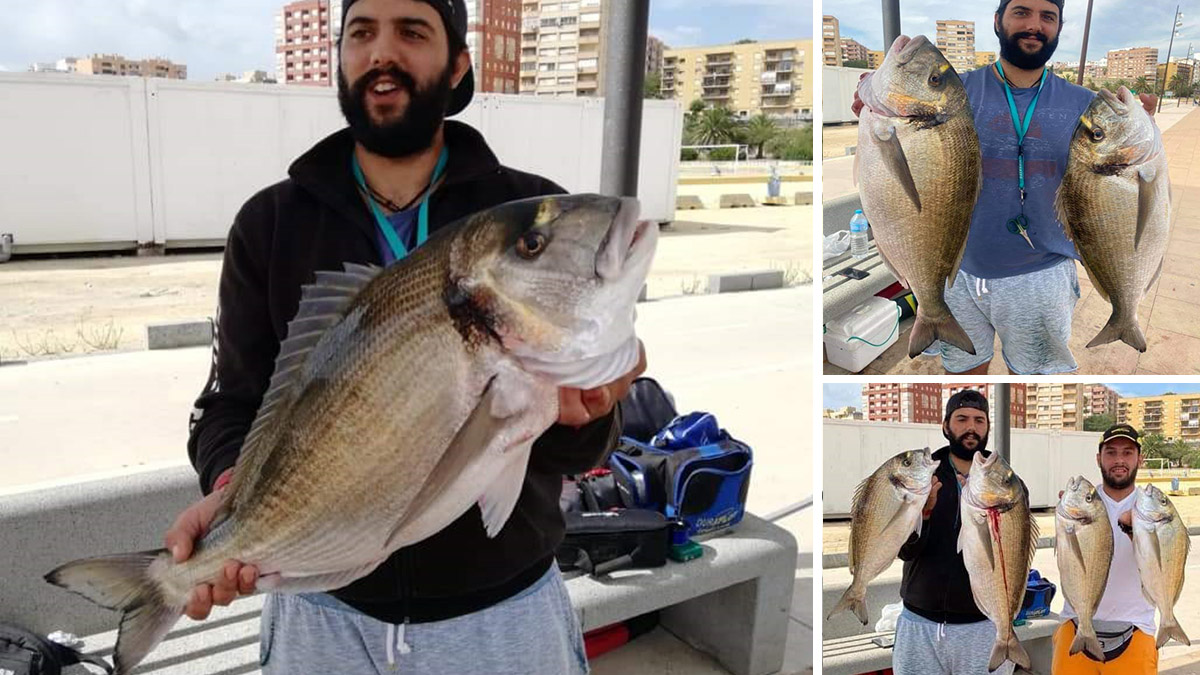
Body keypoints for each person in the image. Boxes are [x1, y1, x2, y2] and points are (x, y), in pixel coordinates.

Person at [165, 1, 644, 672]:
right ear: (339, 59)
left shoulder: (530, 212)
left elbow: (579, 442)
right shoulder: (270, 224)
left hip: (503, 614)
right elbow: (228, 403)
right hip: (323, 615)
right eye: (361, 33)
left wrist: (589, 414)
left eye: (411, 32)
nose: (381, 53)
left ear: (458, 65)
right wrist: (231, 492)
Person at [853, 0, 1159, 375]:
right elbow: (887, 123)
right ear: (998, 21)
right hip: (953, 268)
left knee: (1031, 378)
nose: (1034, 25)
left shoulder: (1087, 106)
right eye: (1021, 12)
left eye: (1048, 17)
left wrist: (1143, 129)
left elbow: (1113, 179)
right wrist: (869, 93)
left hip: (1042, 274)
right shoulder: (954, 93)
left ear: (1059, 27)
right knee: (963, 374)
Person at [893, 390, 1016, 675]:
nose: (971, 428)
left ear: (987, 428)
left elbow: (1016, 555)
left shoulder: (1008, 484)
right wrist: (922, 514)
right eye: (961, 419)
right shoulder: (923, 476)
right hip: (919, 623)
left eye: (979, 420)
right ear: (946, 426)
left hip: (983, 626)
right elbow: (904, 550)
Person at [1053, 424, 1159, 674]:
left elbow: (1161, 569)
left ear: (1139, 459)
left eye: (1127, 452)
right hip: (1074, 624)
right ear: (1099, 458)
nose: (1119, 460)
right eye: (1111, 452)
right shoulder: (1082, 504)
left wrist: (1137, 531)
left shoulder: (1152, 508)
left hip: (1136, 629)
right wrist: (1065, 518)